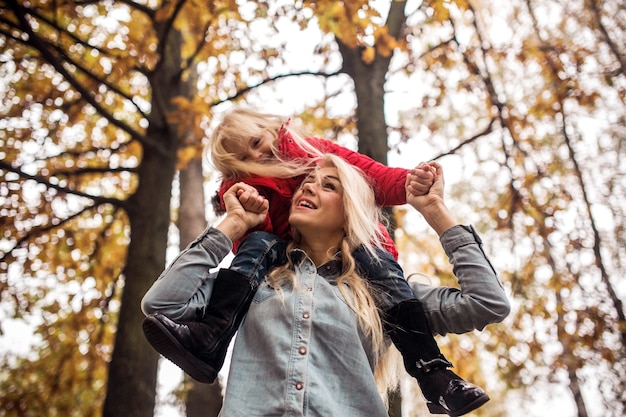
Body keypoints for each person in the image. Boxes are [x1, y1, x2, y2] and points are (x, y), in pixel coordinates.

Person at [142, 154, 510, 416]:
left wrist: (434, 211)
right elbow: (161, 305)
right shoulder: (251, 281)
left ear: (351, 208)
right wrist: (233, 225)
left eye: (328, 185)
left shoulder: (388, 293)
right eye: (306, 183)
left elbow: (487, 303)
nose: (309, 189)